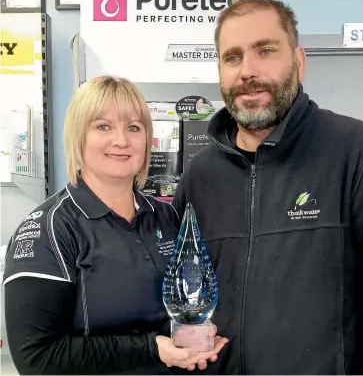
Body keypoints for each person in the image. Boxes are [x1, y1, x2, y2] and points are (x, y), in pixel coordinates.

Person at [173, 0, 363, 375]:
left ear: (299, 61)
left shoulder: (353, 150)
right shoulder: (200, 175)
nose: (247, 71)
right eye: (233, 57)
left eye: (265, 51)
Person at [3, 76, 228, 375]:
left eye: (133, 127)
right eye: (103, 126)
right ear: (78, 137)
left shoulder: (165, 217)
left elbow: (182, 307)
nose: (121, 140)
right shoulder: (50, 229)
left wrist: (193, 339)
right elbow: (36, 358)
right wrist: (151, 349)